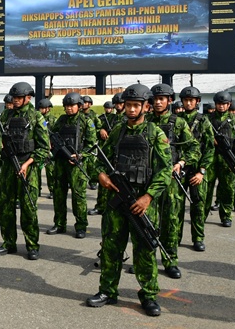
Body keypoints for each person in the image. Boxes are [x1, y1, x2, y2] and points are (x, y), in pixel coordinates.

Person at [87, 83, 172, 316]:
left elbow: (165, 172)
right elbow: (99, 160)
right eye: (129, 105)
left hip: (141, 203)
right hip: (117, 200)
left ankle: (149, 295)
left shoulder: (156, 134)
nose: (131, 110)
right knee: (111, 246)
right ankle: (107, 291)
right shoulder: (117, 131)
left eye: (137, 105)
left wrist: (148, 197)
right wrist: (101, 175)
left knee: (145, 248)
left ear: (146, 106)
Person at [146, 84, 199, 279]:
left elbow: (194, 147)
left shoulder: (178, 123)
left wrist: (182, 162)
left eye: (163, 98)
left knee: (170, 222)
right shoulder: (146, 121)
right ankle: (146, 259)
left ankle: (170, 261)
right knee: (147, 222)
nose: (158, 102)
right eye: (155, 98)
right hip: (148, 180)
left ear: (169, 100)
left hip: (170, 181)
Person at [0, 82, 49, 260]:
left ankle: (32, 245)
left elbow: (44, 148)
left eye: (18, 98)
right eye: (14, 98)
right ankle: (9, 243)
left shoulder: (36, 117)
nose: (15, 101)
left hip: (27, 167)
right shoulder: (6, 115)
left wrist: (27, 164)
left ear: (28, 98)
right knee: (5, 207)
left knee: (28, 208)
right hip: (8, 166)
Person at [47, 92, 97, 238]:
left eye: (72, 105)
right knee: (58, 194)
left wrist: (80, 155)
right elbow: (53, 135)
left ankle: (81, 226)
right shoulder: (61, 120)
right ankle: (59, 224)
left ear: (79, 106)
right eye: (67, 106)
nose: (69, 108)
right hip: (61, 162)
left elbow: (91, 144)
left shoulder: (86, 121)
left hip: (77, 163)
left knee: (78, 196)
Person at [177, 86, 215, 252]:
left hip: (197, 171)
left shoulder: (204, 121)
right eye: (186, 100)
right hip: (179, 169)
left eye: (191, 100)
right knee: (176, 206)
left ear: (197, 101)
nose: (188, 102)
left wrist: (202, 171)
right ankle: (175, 237)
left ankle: (198, 238)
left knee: (198, 206)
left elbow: (209, 148)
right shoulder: (175, 120)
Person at [206, 91, 235, 227]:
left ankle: (226, 216)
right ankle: (203, 214)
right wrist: (211, 140)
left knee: (228, 190)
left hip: (228, 160)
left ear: (229, 105)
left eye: (224, 104)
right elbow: (200, 138)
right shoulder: (207, 119)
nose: (221, 106)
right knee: (206, 190)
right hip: (210, 160)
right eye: (219, 104)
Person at [37, 98, 56, 199]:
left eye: (43, 108)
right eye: (40, 108)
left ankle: (52, 190)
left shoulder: (53, 119)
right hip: (40, 148)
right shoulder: (37, 118)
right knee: (37, 171)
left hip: (50, 149)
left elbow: (56, 133)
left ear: (48, 108)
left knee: (50, 171)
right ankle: (37, 190)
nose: (41, 110)